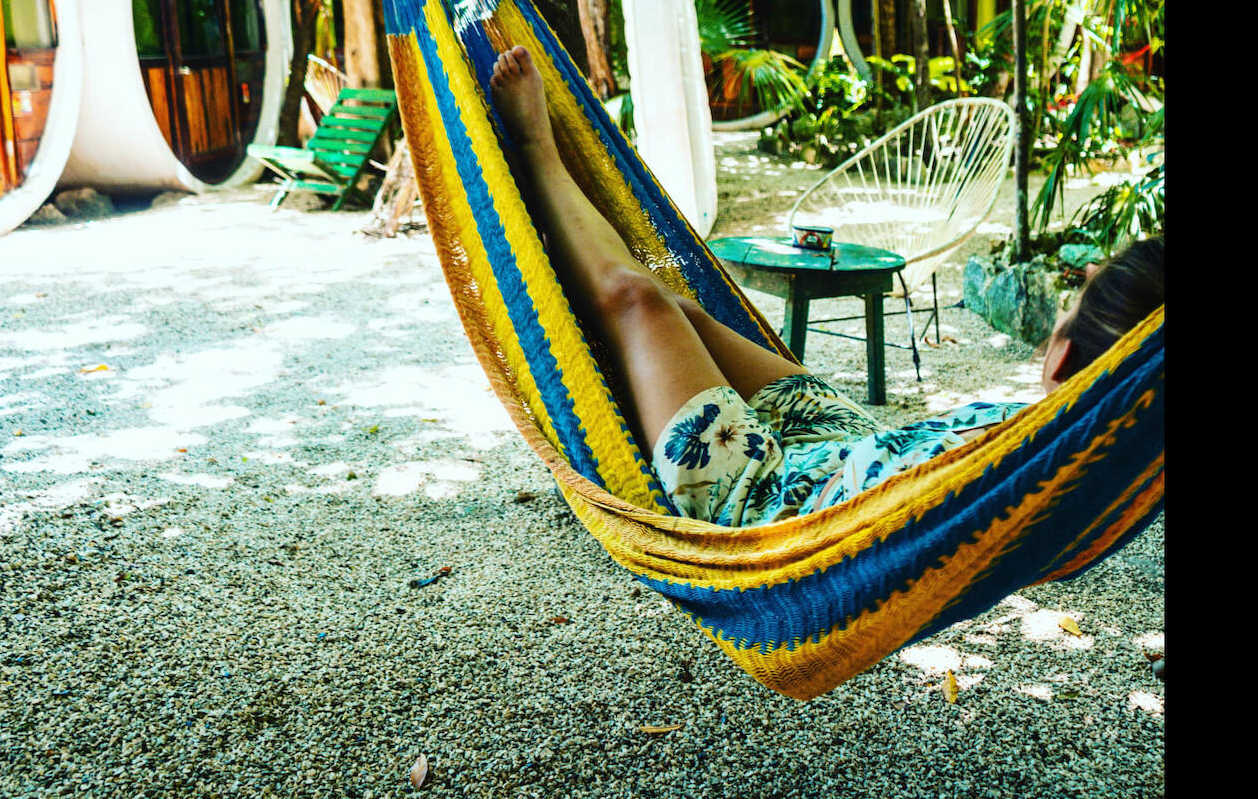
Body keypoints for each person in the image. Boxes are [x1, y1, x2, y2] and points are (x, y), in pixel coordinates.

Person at [490, 45, 1164, 527]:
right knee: (683, 312)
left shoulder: (1059, 450)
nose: (1065, 306)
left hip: (777, 501)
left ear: (1062, 360)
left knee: (639, 302)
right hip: (853, 443)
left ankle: (536, 152)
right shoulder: (1111, 445)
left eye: (1070, 306)